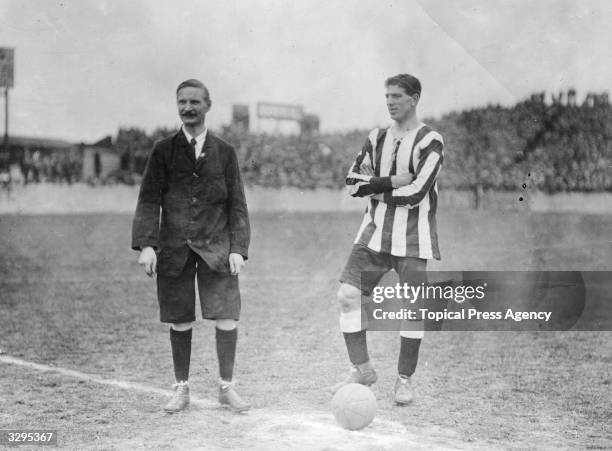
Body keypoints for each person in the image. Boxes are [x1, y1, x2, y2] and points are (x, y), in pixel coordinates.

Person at [131, 79, 251, 413]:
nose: (188, 108)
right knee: (179, 319)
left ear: (207, 105)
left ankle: (227, 388)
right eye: (182, 102)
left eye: (195, 102)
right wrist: (147, 245)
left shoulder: (224, 151)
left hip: (216, 248)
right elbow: (148, 200)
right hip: (174, 248)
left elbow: (237, 205)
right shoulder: (163, 150)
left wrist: (238, 249)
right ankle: (181, 388)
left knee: (227, 316)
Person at [332, 74, 444, 405]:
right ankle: (362, 369)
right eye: (387, 96)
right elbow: (352, 183)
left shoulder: (430, 140)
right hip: (373, 234)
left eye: (397, 96)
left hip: (412, 238)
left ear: (414, 99)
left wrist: (377, 188)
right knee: (347, 296)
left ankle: (404, 379)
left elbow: (417, 192)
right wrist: (392, 179)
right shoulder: (376, 137)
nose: (390, 102)